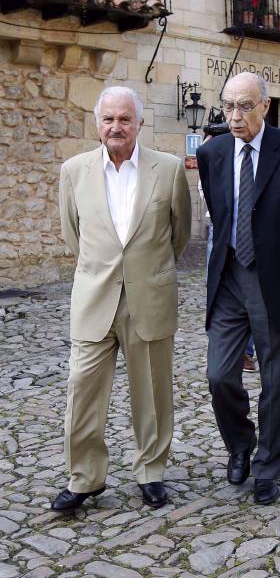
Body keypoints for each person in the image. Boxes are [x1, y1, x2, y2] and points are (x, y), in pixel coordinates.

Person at [52, 86, 191, 512]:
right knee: (82, 388)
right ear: (98, 125)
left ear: (139, 124)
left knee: (152, 390)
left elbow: (179, 234)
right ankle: (85, 478)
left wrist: (146, 271)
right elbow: (73, 235)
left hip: (149, 297)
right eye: (109, 119)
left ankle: (151, 472)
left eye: (125, 119)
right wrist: (105, 271)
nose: (117, 127)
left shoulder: (168, 170)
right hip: (95, 298)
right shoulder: (73, 171)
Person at [197, 72, 280, 505]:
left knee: (277, 380)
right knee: (219, 374)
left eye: (244, 106)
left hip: (279, 282)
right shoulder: (213, 153)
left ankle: (268, 465)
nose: (235, 116)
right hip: (229, 278)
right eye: (228, 106)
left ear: (265, 107)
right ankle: (240, 445)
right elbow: (221, 213)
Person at [198, 174, 257, 372]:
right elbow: (203, 187)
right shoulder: (213, 151)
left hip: (257, 245)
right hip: (221, 229)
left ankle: (246, 352)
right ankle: (226, 348)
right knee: (217, 290)